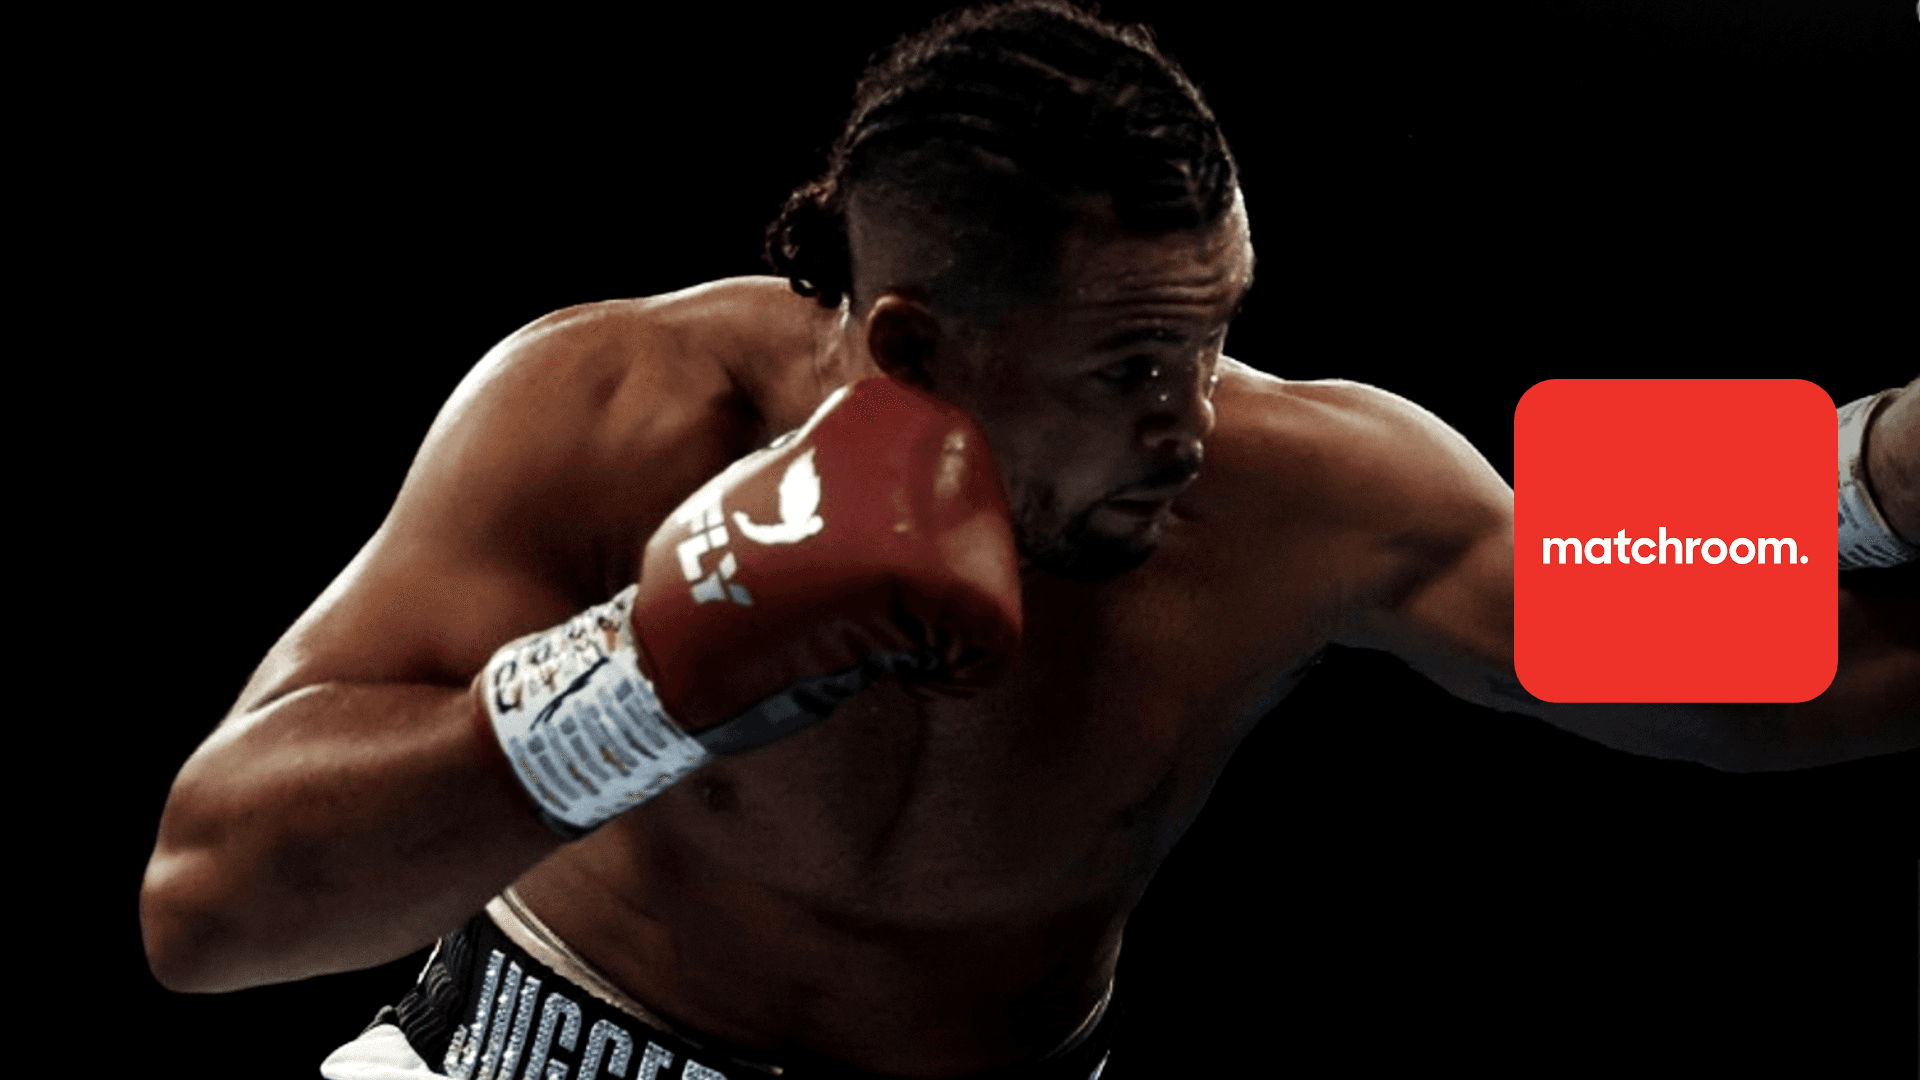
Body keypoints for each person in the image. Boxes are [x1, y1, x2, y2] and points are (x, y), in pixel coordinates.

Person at [139, 3, 1920, 1077]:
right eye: (1132, 365)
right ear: (915, 346)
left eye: (1217, 337)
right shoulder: (620, 411)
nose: (1196, 420)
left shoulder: (1293, 483)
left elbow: (1686, 637)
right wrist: (646, 676)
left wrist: (1892, 471)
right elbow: (207, 909)